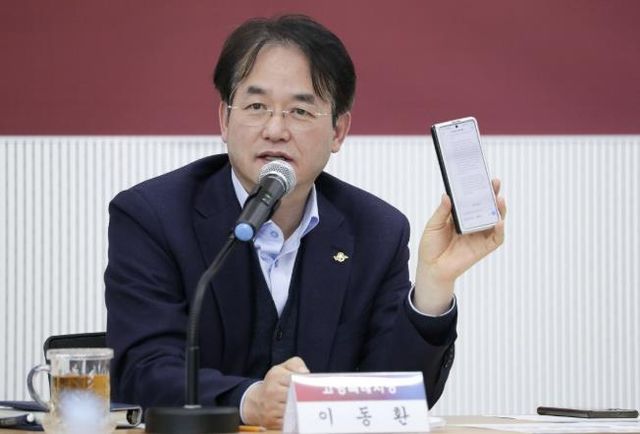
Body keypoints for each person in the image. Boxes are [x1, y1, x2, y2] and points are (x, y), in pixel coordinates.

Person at [105, 14, 506, 429]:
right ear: (224, 119)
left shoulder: (376, 230)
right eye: (257, 107)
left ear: (338, 131)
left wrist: (433, 287)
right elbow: (140, 370)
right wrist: (249, 400)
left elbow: (398, 397)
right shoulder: (153, 217)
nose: (275, 129)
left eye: (299, 111)